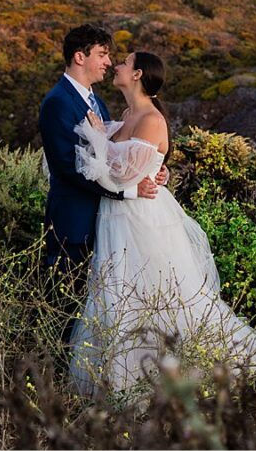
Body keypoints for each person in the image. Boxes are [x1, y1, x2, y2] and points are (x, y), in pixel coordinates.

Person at [66, 49, 256, 394]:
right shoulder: (129, 113)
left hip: (141, 218)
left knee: (156, 295)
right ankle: (123, 383)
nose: (116, 65)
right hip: (117, 217)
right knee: (118, 298)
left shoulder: (150, 119)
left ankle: (193, 376)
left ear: (136, 75)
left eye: (125, 62)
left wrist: (98, 138)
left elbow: (121, 175)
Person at [39, 25, 165, 312]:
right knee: (66, 310)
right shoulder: (57, 103)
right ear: (80, 57)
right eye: (103, 54)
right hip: (73, 224)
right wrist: (129, 192)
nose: (109, 62)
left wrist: (151, 172)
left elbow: (115, 158)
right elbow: (69, 168)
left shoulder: (98, 102)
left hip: (108, 226)